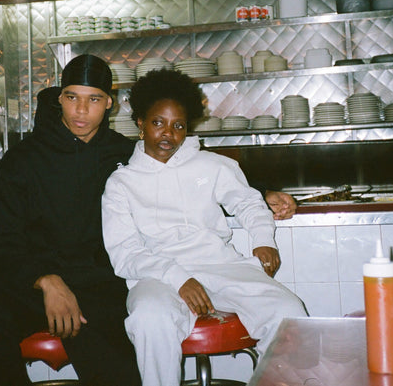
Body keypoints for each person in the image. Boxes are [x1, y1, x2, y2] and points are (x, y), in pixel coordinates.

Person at [101, 68, 308, 386]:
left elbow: (248, 203)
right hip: (158, 276)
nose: (168, 134)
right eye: (158, 123)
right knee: (148, 318)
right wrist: (178, 278)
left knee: (288, 312)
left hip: (221, 266)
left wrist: (263, 239)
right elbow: (125, 253)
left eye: (178, 125)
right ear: (141, 123)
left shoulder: (212, 165)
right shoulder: (121, 183)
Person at [0, 55, 142, 386]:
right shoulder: (23, 159)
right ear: (60, 98)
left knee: (114, 365)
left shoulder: (127, 156)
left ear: (110, 102)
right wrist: (45, 280)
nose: (81, 110)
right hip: (33, 285)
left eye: (93, 99)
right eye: (72, 97)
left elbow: (172, 201)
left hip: (101, 287)